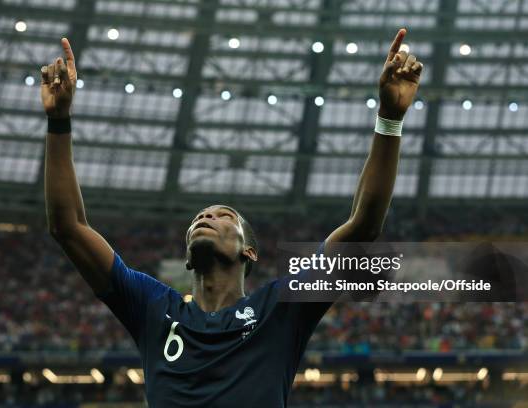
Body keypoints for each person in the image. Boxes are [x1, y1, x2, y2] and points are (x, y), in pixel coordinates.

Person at [41, 28, 422, 407]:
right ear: (188, 256)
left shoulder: (280, 310)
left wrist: (389, 118)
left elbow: (364, 225)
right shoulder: (152, 307)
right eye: (199, 216)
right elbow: (68, 227)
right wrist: (59, 122)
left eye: (224, 216)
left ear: (249, 252)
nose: (206, 215)